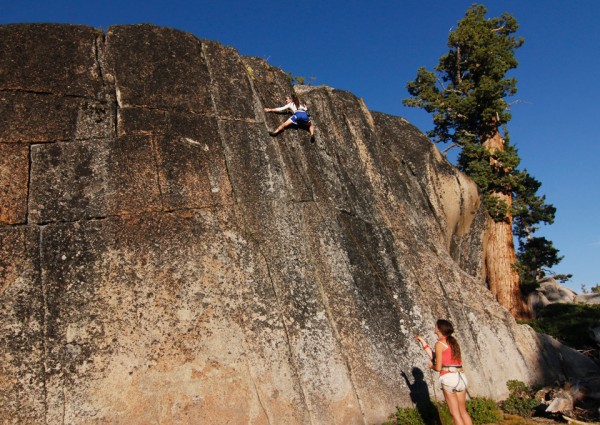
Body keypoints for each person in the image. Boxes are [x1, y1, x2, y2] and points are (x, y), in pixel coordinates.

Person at [416, 320, 473, 425]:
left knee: (455, 414)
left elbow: (438, 367)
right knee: (463, 412)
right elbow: (434, 355)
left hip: (449, 379)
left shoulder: (439, 343)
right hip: (460, 377)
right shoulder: (453, 341)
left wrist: (431, 366)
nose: (434, 327)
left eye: (435, 325)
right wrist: (423, 342)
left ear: (438, 329)